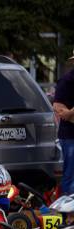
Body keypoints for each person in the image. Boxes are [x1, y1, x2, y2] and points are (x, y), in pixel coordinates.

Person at [53, 50, 74, 195]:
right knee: (70, 174)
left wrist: (71, 112)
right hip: (70, 135)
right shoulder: (66, 80)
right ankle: (67, 205)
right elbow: (58, 107)